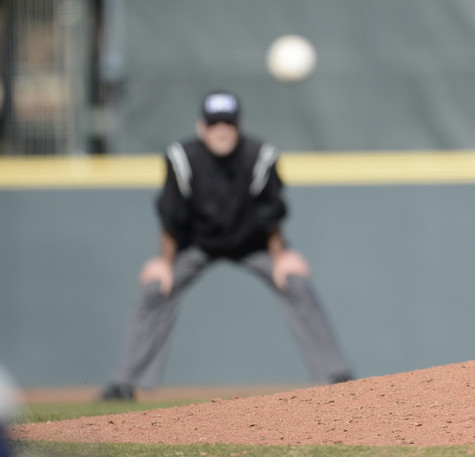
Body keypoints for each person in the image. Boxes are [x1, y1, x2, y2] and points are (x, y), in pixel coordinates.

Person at [99, 91, 354, 400]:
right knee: (156, 289)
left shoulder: (260, 155)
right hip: (196, 243)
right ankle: (124, 383)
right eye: (214, 124)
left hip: (253, 242)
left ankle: (337, 375)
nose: (221, 131)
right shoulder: (182, 158)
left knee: (295, 282)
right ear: (201, 128)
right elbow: (171, 214)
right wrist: (164, 263)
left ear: (240, 126)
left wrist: (280, 256)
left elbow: (271, 211)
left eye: (228, 124)